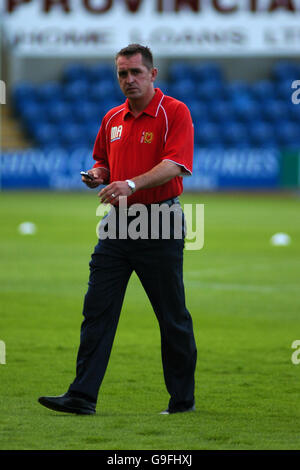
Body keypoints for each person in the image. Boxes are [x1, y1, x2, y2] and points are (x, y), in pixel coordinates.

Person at [38, 44, 197, 415]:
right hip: (118, 224)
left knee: (171, 316)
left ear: (152, 74)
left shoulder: (175, 112)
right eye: (122, 74)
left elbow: (176, 164)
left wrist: (131, 184)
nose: (128, 80)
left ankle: (182, 401)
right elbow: (104, 162)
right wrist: (98, 175)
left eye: (135, 72)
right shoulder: (112, 118)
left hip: (159, 220)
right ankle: (82, 396)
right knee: (97, 310)